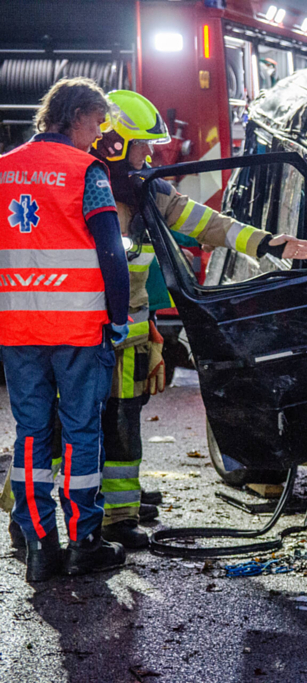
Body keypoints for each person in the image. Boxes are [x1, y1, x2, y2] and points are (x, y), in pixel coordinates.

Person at [86, 90, 307, 549]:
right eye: (141, 146)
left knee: (122, 421)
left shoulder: (147, 192)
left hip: (125, 337)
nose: (149, 155)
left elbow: (206, 222)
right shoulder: (82, 195)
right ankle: (38, 510)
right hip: (80, 338)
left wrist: (267, 243)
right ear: (112, 144)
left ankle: (118, 512)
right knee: (72, 424)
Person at [0, 78, 130, 582]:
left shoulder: (4, 170)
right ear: (74, 115)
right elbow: (110, 250)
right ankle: (84, 543)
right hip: (77, 327)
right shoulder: (86, 172)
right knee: (81, 433)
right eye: (96, 124)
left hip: (16, 327)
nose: (97, 136)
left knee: (30, 436)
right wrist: (118, 320)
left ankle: (39, 545)